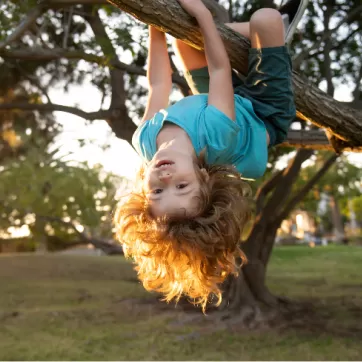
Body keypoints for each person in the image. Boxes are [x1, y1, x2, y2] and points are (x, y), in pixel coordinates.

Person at [114, 0, 309, 312]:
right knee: (266, 18)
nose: (166, 178)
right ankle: (274, 34)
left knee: (183, 35)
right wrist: (204, 14)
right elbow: (220, 69)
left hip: (213, 101)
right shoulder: (216, 134)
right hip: (263, 110)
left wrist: (155, 24)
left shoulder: (145, 140)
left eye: (158, 191)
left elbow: (158, 84)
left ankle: (249, 41)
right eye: (182, 187)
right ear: (204, 178)